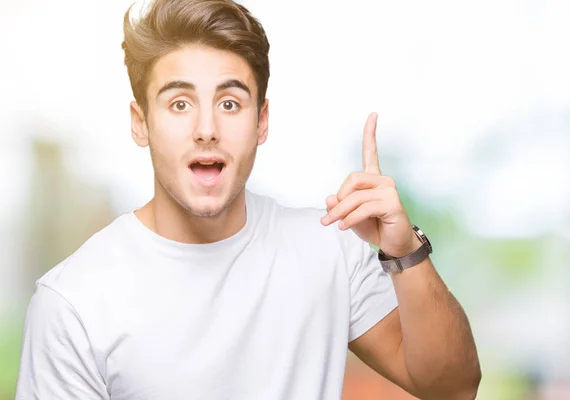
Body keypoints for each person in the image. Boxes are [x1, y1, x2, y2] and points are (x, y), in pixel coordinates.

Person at [15, 0, 481, 399]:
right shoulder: (73, 301)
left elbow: (454, 387)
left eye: (230, 103)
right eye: (179, 103)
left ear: (261, 121)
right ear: (141, 123)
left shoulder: (330, 250)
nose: (206, 129)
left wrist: (405, 253)